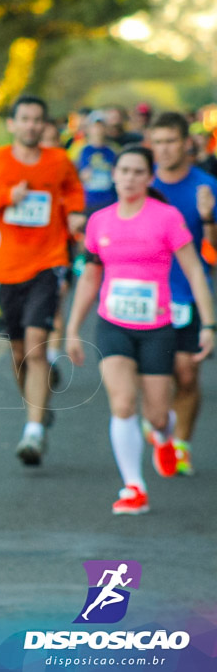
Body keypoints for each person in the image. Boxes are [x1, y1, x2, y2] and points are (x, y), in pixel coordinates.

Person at [66, 146, 215, 515]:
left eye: (137, 172)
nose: (129, 178)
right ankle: (133, 486)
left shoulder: (166, 217)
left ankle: (164, 438)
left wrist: (209, 324)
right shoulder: (99, 221)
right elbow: (90, 276)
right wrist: (71, 328)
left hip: (157, 327)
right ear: (113, 175)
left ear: (149, 179)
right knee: (121, 403)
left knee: (158, 415)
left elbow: (195, 270)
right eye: (124, 170)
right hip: (113, 323)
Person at [0, 94, 85, 466]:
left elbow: (72, 191)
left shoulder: (58, 161)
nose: (32, 125)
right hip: (6, 268)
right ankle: (36, 409)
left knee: (36, 344)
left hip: (48, 262)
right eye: (25, 119)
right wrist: (7, 196)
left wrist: (73, 214)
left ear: (45, 125)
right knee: (19, 353)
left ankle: (33, 433)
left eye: (38, 120)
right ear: (12, 124)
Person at [148, 111, 217, 474]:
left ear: (186, 143)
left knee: (186, 374)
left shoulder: (206, 186)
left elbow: (215, 250)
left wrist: (207, 218)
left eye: (170, 141)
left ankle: (181, 445)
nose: (164, 149)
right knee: (151, 372)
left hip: (187, 293)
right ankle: (156, 420)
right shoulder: (141, 183)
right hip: (145, 294)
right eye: (157, 142)